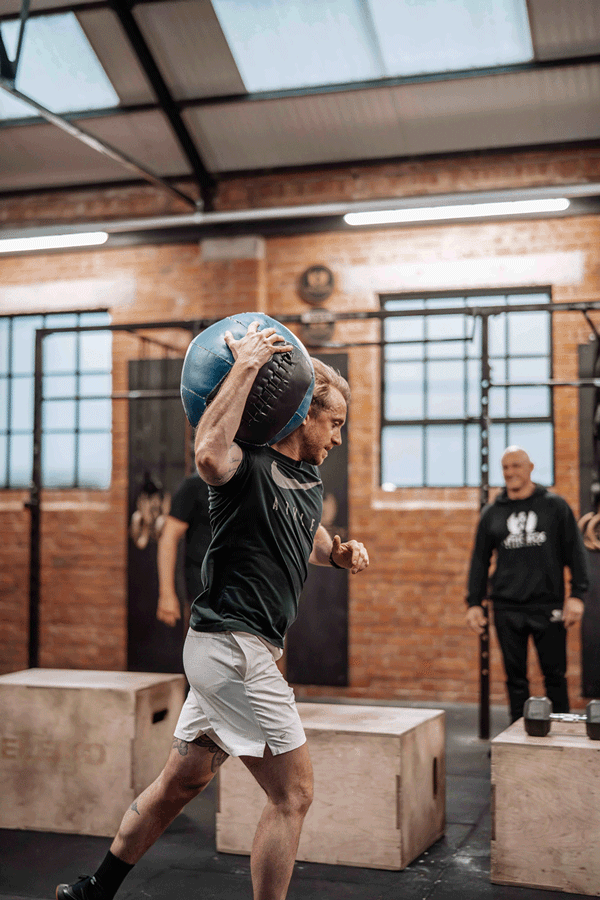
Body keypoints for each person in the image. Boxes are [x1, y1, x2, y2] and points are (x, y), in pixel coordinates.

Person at [57, 320, 369, 900]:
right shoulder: (240, 468)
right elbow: (206, 452)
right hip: (234, 648)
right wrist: (247, 365)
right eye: (336, 424)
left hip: (230, 651)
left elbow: (309, 535)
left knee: (181, 781)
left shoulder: (303, 476)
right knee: (292, 795)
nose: (339, 438)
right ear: (304, 414)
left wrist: (340, 552)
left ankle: (94, 889)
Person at [465, 445, 589, 723]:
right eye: (506, 468)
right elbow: (479, 562)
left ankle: (562, 735)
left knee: (555, 676)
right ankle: (518, 737)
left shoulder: (554, 506)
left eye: (516, 466)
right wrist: (474, 603)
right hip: (507, 607)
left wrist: (577, 595)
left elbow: (575, 553)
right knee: (515, 679)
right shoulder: (492, 513)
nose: (510, 473)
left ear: (530, 468)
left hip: (548, 604)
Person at [156, 471, 211, 628]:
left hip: (248, 598)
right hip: (204, 595)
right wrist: (166, 594)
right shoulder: (195, 485)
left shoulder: (256, 484)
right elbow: (168, 538)